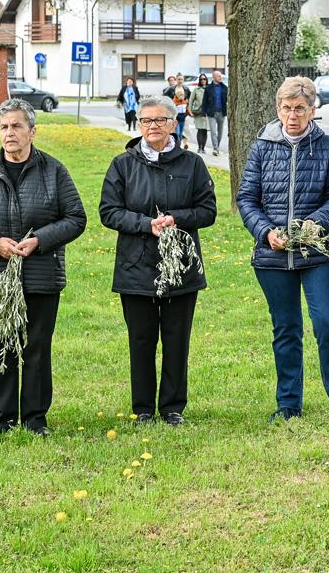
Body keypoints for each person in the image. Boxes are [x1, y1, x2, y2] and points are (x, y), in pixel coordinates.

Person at [0, 98, 87, 436]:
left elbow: (76, 218)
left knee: (36, 349)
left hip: (40, 277)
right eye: (4, 127)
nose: (9, 133)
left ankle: (35, 419)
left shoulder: (54, 171)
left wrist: (40, 240)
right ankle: (2, 420)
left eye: (16, 126)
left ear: (32, 131)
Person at [237, 76, 329, 423]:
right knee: (286, 328)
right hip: (272, 255)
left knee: (328, 324)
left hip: (317, 253)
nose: (292, 115)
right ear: (277, 109)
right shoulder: (262, 147)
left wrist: (314, 225)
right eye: (286, 108)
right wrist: (266, 232)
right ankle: (288, 403)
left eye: (299, 109)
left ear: (312, 110)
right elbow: (247, 198)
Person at [99, 96, 217, 425]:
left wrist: (176, 218)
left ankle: (172, 407)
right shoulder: (123, 164)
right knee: (141, 340)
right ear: (139, 125)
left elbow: (208, 210)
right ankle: (143, 409)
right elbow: (109, 211)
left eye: (160, 120)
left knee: (177, 340)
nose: (153, 126)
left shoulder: (192, 164)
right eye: (146, 121)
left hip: (180, 267)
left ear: (173, 123)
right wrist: (144, 224)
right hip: (136, 266)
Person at [202, 70, 228, 156]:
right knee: (213, 132)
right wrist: (203, 113)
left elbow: (227, 100)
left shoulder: (224, 87)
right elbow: (204, 101)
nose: (220, 77)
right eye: (218, 76)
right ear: (214, 77)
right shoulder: (208, 88)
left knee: (220, 132)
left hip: (221, 112)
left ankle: (217, 147)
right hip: (211, 113)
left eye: (221, 76)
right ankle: (215, 149)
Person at [190, 73, 210, 154]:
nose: (203, 80)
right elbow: (191, 100)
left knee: (205, 130)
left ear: (206, 80)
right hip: (198, 112)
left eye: (204, 79)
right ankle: (199, 148)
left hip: (207, 113)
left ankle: (203, 148)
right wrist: (190, 111)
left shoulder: (209, 88)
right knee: (200, 129)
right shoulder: (196, 89)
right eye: (201, 79)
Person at [172, 84, 190, 150]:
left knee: (181, 132)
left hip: (183, 119)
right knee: (177, 132)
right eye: (181, 95)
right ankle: (177, 145)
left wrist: (189, 114)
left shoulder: (184, 102)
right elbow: (172, 111)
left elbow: (187, 109)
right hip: (177, 120)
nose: (182, 96)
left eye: (183, 95)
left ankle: (179, 144)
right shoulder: (174, 102)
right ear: (177, 95)